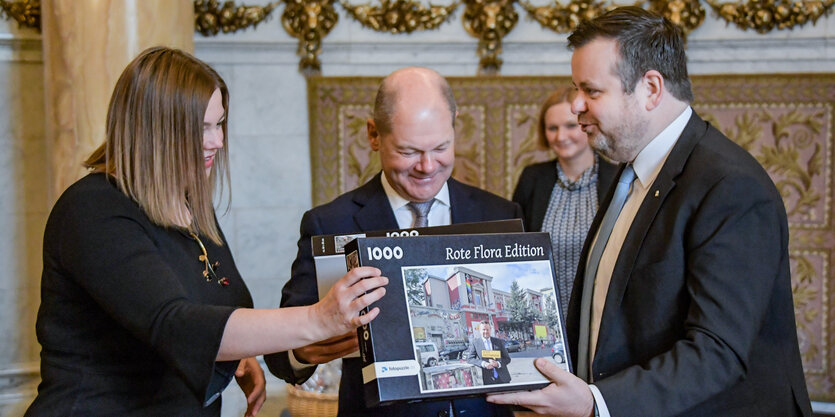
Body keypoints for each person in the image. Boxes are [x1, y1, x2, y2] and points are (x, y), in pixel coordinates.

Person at [25, 47, 387, 417]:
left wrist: (238, 355)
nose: (217, 141)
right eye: (201, 128)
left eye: (220, 124)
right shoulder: (93, 206)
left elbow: (220, 309)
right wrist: (318, 318)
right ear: (153, 130)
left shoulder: (188, 204)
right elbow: (176, 324)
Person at [488, 7, 812, 417]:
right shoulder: (630, 168)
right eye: (575, 89)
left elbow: (716, 352)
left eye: (591, 90)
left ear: (651, 89)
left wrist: (596, 404)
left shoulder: (730, 186)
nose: (575, 105)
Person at [264, 67, 521, 417]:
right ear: (374, 135)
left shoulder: (499, 213)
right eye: (409, 151)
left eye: (441, 147)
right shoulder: (330, 223)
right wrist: (306, 350)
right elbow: (281, 355)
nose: (427, 166)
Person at [512, 87, 617, 317]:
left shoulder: (618, 179)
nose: (561, 136)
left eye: (570, 126)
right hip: (544, 315)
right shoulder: (532, 178)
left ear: (588, 124)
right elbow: (514, 244)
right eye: (552, 128)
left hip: (600, 314)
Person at [466, 321, 511, 385]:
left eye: (487, 329)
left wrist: (498, 363)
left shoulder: (498, 341)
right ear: (480, 330)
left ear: (490, 330)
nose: (485, 332)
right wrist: (483, 364)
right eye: (483, 330)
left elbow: (507, 359)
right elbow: (470, 359)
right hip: (488, 380)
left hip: (503, 378)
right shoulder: (476, 343)